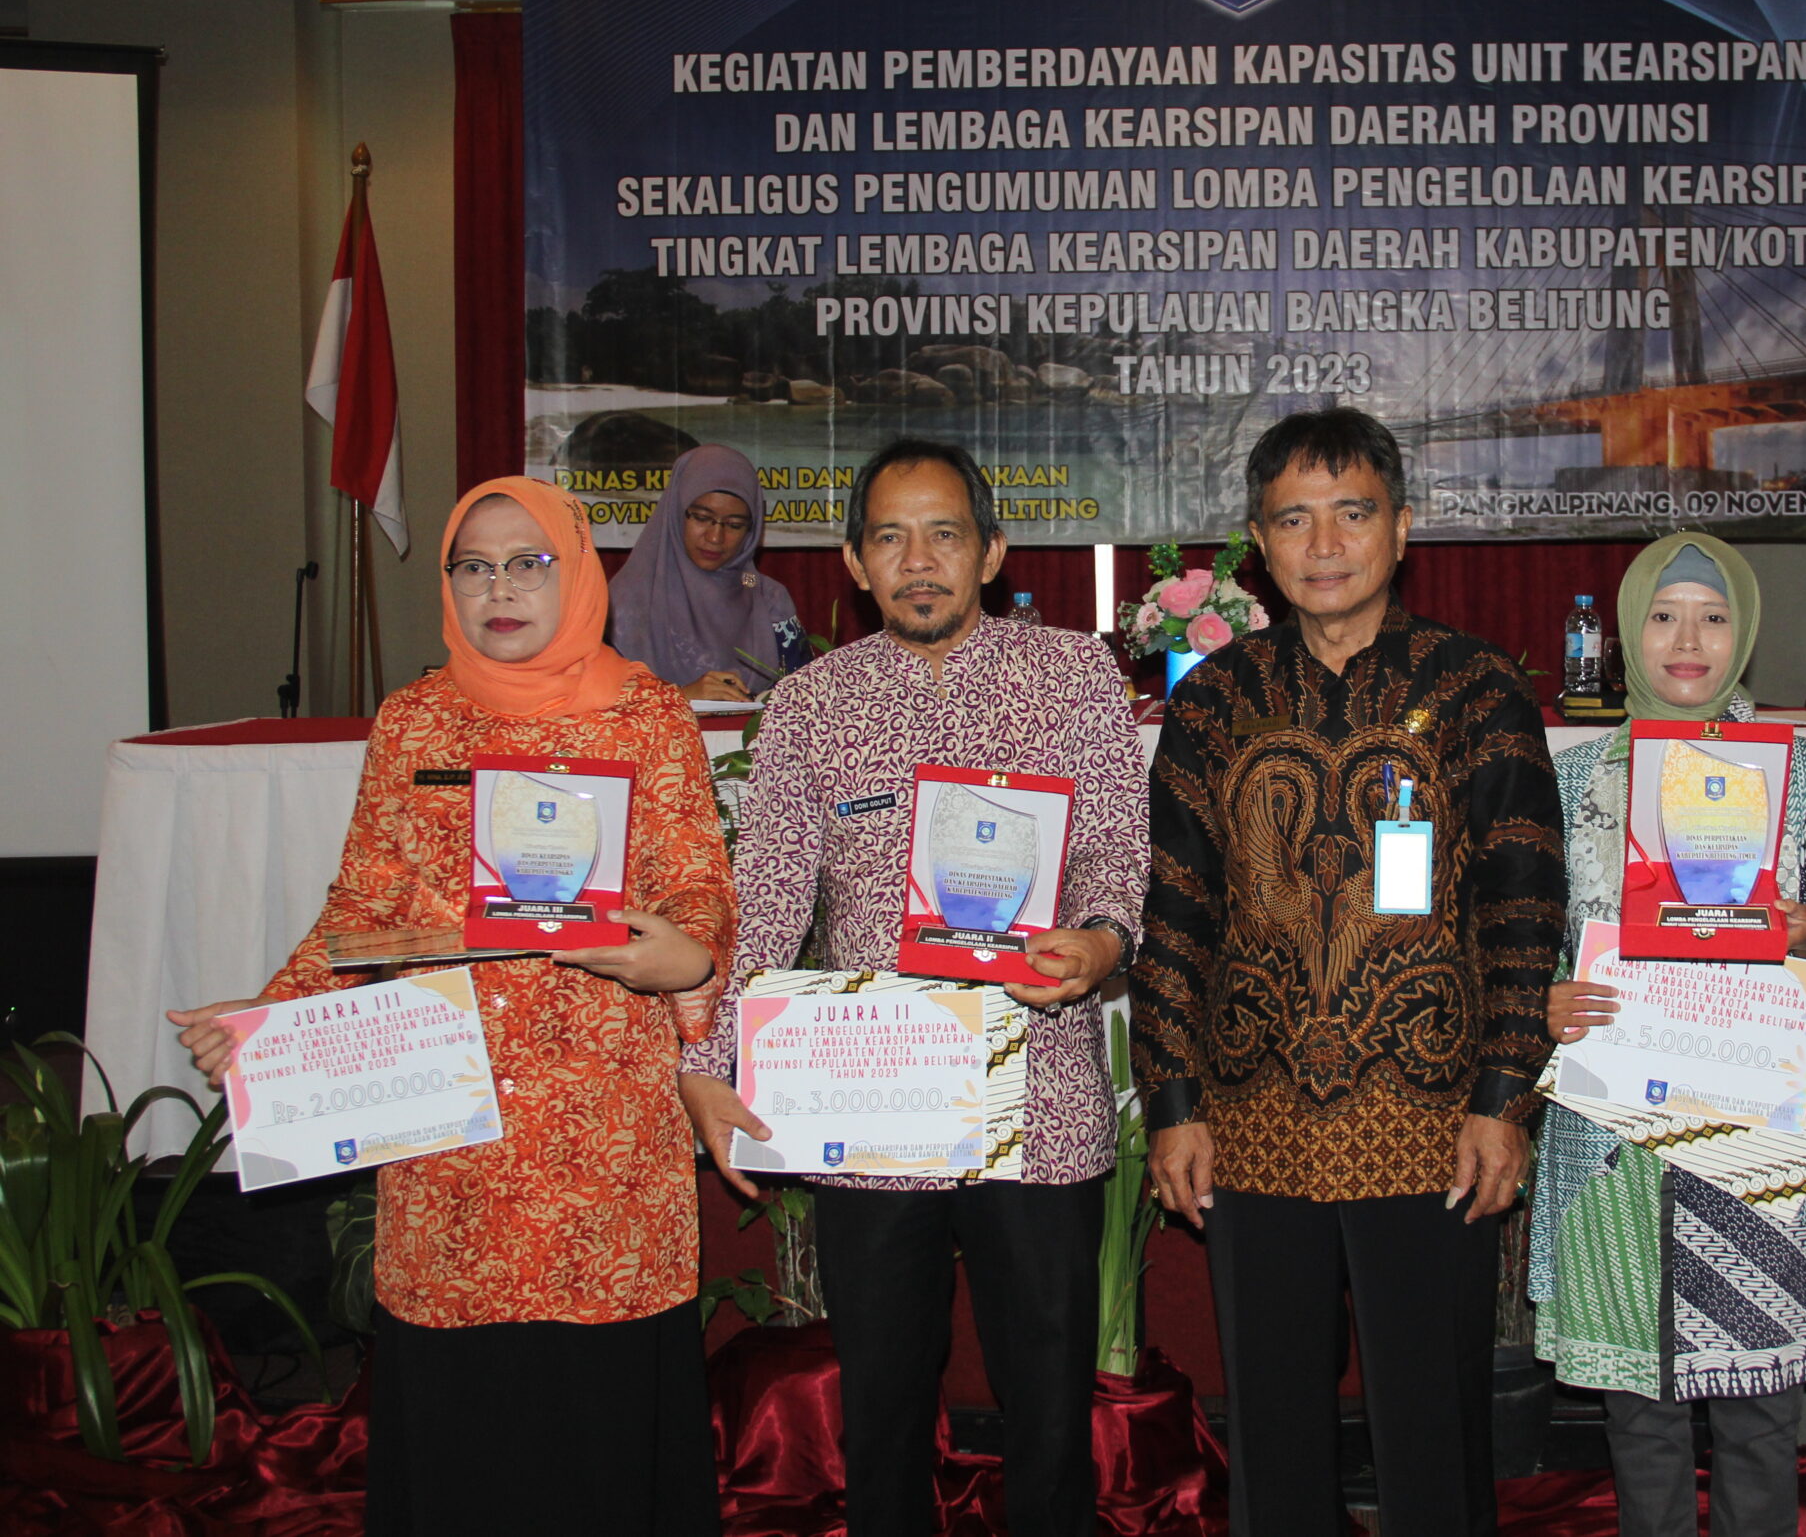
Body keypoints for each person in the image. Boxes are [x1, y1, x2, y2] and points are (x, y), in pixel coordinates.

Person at [167, 477, 736, 1537]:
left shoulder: (647, 715)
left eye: (528, 564)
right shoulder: (414, 720)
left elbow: (700, 884)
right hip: (449, 1134)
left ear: (578, 575)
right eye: (473, 567)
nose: (499, 588)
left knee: (598, 1422)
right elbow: (361, 905)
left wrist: (685, 952)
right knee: (466, 1424)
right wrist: (271, 1019)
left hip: (602, 1143)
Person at [675, 439, 1147, 1537]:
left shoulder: (1072, 676)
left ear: (992, 551)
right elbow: (769, 898)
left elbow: (1117, 850)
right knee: (883, 1402)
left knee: (1047, 1395)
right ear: (855, 562)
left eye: (944, 534)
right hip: (873, 1100)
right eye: (890, 537)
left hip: (1038, 1089)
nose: (918, 560)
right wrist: (707, 1064)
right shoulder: (810, 706)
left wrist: (1100, 942)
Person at [1135, 407, 1567, 1537]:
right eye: (1294, 519)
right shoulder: (1213, 699)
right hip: (1254, 1115)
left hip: (1430, 1115)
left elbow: (1523, 912)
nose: (1324, 544)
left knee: (1432, 1426)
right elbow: (1175, 916)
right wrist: (1173, 1104)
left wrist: (1503, 1098)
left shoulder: (1476, 688)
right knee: (1273, 1427)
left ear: (1402, 528)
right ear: (1258, 543)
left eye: (1352, 513)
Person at [1531, 533, 1806, 1537]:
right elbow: (1535, 943)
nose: (1689, 641)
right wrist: (1547, 1002)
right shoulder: (1574, 780)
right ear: (1625, 634)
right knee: (1639, 1416)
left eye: (1714, 617)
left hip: (1758, 1122)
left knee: (1760, 1412)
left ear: (1745, 633)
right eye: (1665, 616)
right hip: (1616, 1139)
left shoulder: (1803, 776)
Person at [610, 443, 812, 701]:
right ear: (675, 512)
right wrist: (681, 697)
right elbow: (596, 710)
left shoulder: (765, 596)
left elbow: (807, 701)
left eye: (734, 525)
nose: (716, 537)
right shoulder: (623, 604)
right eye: (702, 518)